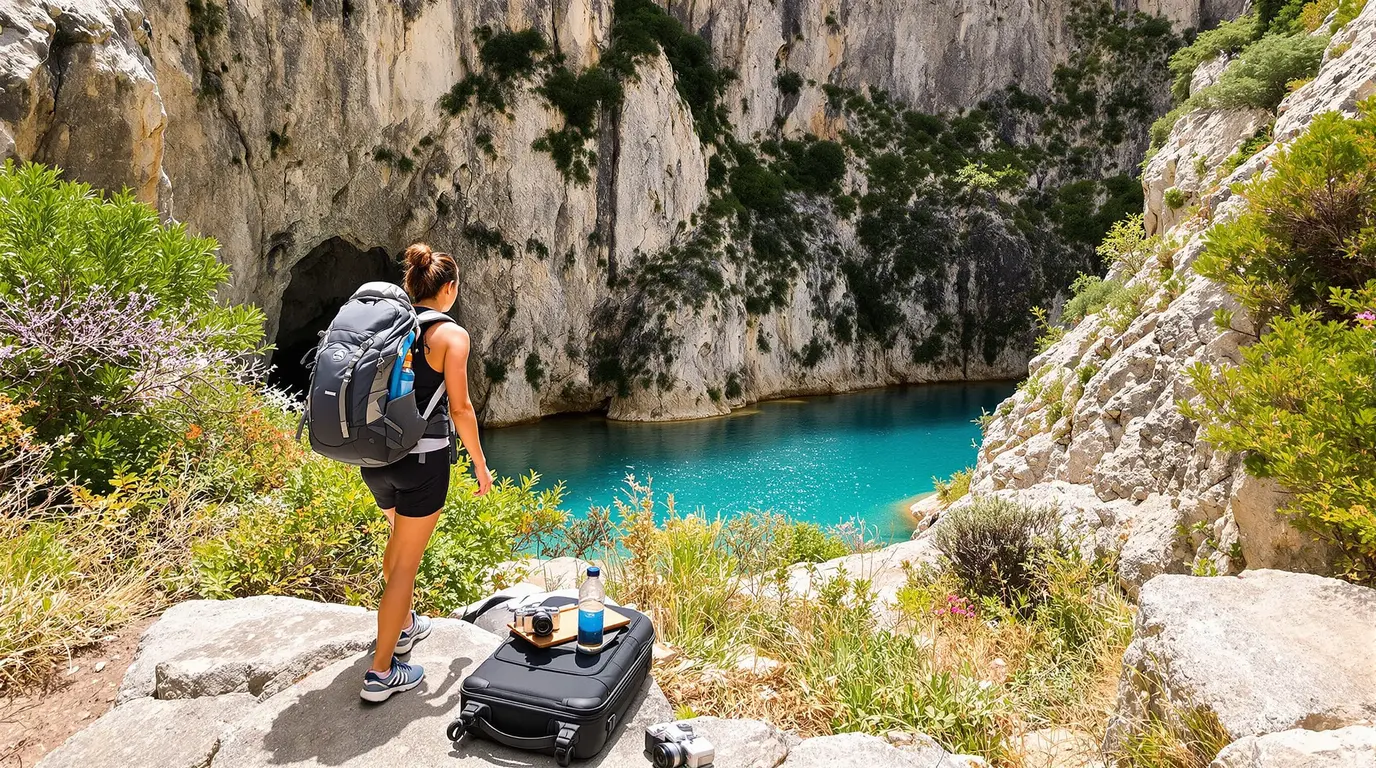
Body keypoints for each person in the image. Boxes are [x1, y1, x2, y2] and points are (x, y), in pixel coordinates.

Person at [358, 243, 494, 703]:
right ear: (449, 288)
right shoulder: (452, 337)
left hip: (376, 460)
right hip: (423, 463)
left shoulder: (389, 326)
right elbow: (461, 408)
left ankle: (405, 626)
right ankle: (380, 673)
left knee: (397, 544)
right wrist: (479, 463)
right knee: (406, 565)